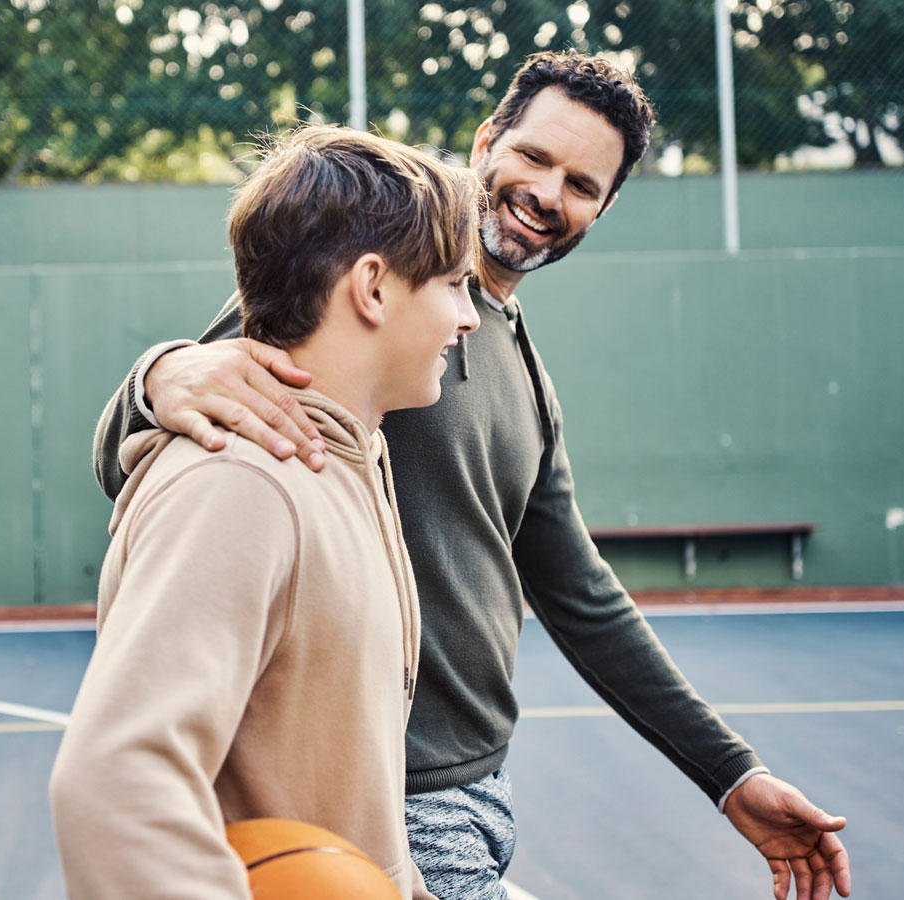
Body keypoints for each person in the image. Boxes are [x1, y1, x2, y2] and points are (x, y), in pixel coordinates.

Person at [92, 51, 853, 900]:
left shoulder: (520, 363)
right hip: (394, 800)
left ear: (601, 209)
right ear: (489, 138)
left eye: (581, 184)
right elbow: (179, 418)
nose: (546, 193)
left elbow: (581, 593)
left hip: (484, 786)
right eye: (533, 157)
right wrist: (158, 376)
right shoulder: (379, 285)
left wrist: (729, 774)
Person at [50, 125, 483, 899]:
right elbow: (115, 783)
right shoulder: (241, 485)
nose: (469, 317)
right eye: (453, 283)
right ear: (374, 287)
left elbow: (348, 811)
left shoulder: (348, 461)